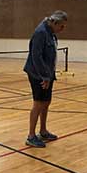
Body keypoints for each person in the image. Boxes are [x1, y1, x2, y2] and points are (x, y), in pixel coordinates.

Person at [23, 10, 67, 148]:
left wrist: (49, 75)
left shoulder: (51, 33)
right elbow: (36, 57)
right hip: (38, 74)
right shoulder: (41, 33)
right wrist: (44, 76)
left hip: (48, 74)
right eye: (61, 26)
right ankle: (31, 136)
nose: (62, 29)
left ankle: (43, 131)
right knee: (38, 103)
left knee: (46, 102)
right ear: (54, 22)